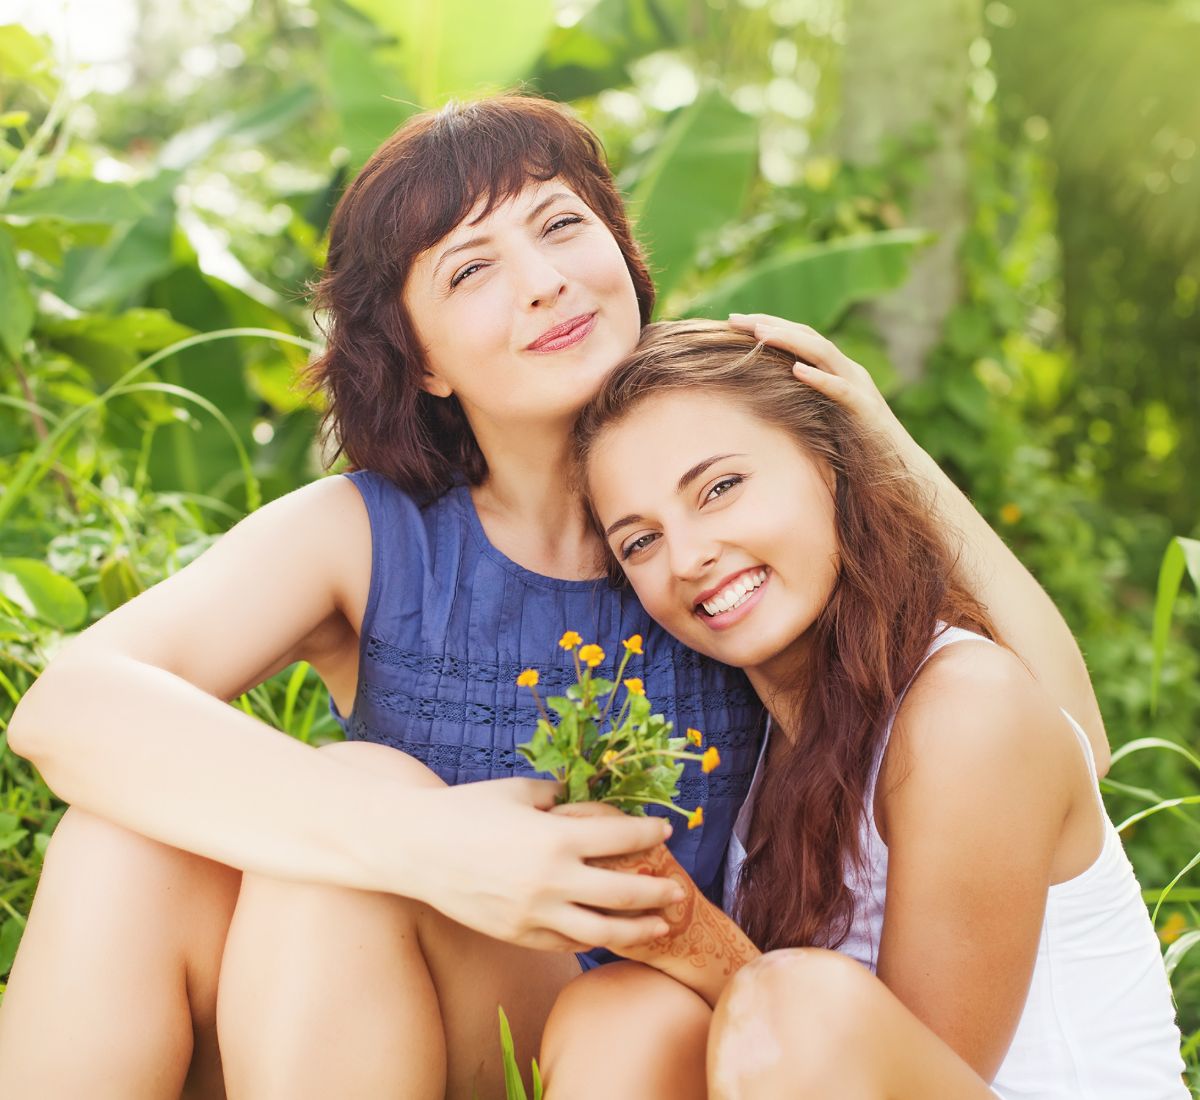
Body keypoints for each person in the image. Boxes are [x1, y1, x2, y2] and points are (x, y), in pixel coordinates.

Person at [0, 94, 1103, 1100]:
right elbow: (67, 704)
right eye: (469, 270)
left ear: (623, 252)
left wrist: (874, 438)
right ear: (422, 359)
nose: (542, 279)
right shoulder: (371, 533)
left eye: (562, 226)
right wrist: (426, 840)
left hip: (651, 1028)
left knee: (394, 868)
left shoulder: (726, 544)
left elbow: (1055, 741)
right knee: (135, 840)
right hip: (381, 1002)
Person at [563, 318, 1186, 1098]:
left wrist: (691, 938)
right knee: (617, 1013)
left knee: (791, 999)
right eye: (641, 542)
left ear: (829, 463)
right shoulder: (764, 742)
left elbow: (872, 1059)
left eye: (720, 488)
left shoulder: (967, 707)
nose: (688, 559)